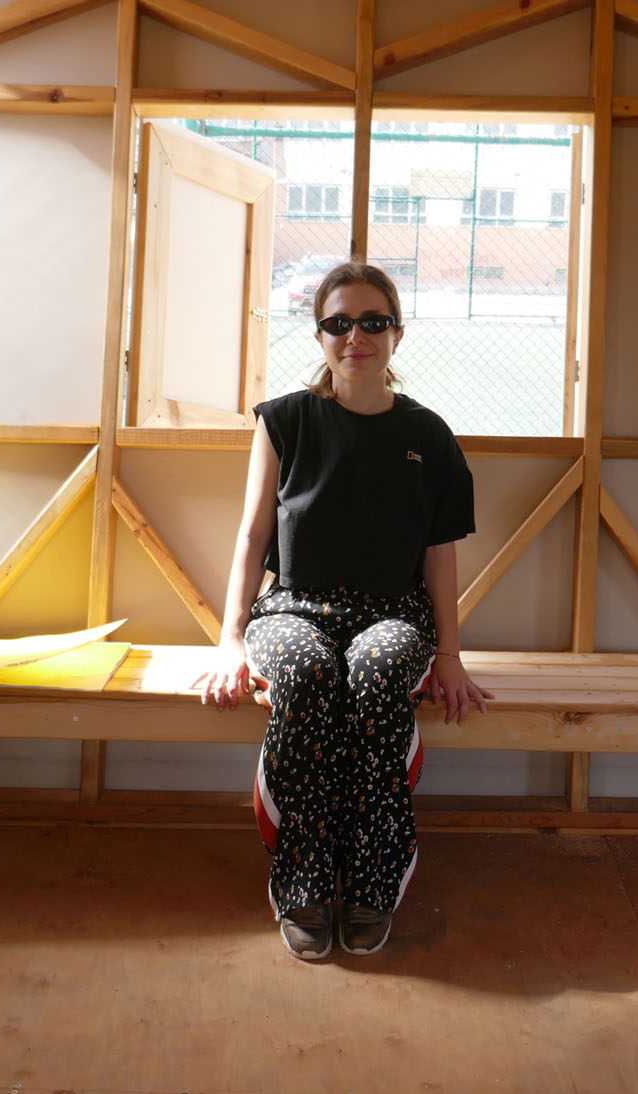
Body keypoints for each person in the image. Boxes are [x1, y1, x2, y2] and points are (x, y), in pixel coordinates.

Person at [199, 262, 492, 961]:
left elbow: (440, 553)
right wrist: (229, 639)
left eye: (372, 322)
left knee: (377, 671)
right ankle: (301, 882)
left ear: (397, 334)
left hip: (393, 611)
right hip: (294, 606)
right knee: (304, 675)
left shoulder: (429, 434)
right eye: (338, 323)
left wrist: (449, 654)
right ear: (320, 335)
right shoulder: (285, 420)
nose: (354, 336)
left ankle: (372, 883)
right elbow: (252, 536)